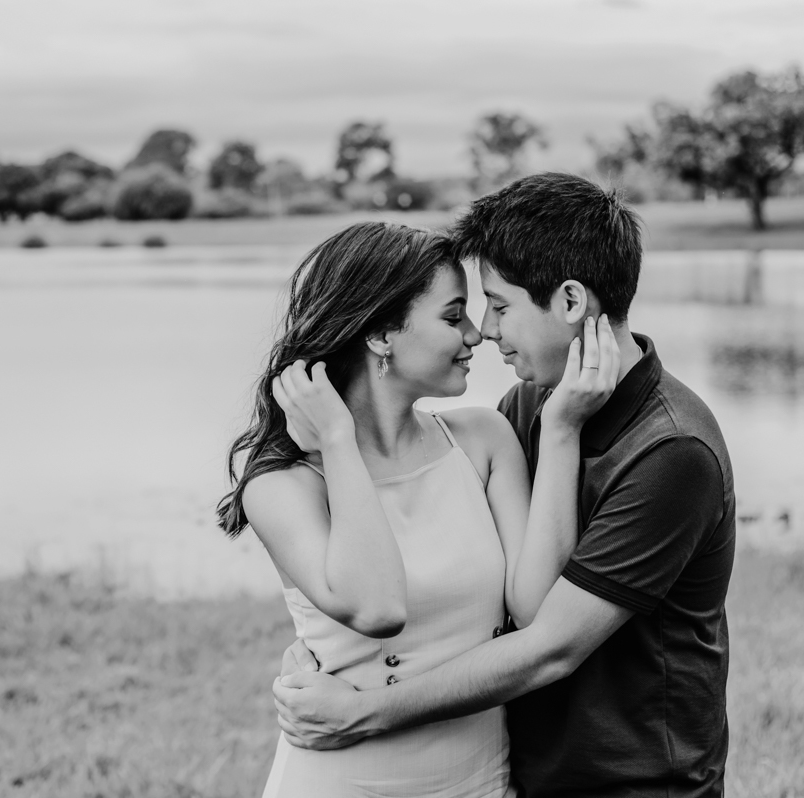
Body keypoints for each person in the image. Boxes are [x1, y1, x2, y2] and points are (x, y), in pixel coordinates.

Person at [272, 173, 736, 798]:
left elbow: (550, 644)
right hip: (525, 770)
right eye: (466, 311)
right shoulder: (530, 405)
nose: (485, 331)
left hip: (632, 781)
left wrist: (361, 712)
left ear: (571, 302)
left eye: (498, 304)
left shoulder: (672, 450)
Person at [216, 219, 619, 797]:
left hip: (480, 780)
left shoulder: (483, 439)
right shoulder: (282, 484)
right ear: (382, 334)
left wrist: (561, 433)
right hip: (344, 779)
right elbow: (379, 607)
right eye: (453, 317)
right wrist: (337, 441)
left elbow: (535, 610)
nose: (476, 337)